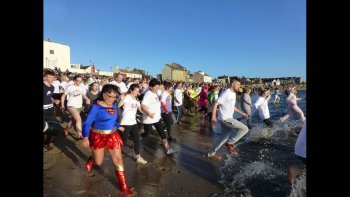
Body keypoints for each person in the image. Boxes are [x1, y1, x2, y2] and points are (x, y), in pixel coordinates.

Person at [81, 84, 135, 196]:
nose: (112, 99)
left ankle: (124, 188)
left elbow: (113, 119)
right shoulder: (96, 107)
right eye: (110, 96)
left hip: (112, 135)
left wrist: (117, 125)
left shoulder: (114, 105)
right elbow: (87, 123)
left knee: (118, 160)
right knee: (99, 162)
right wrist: (86, 136)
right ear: (104, 94)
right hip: (98, 136)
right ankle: (92, 159)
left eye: (115, 96)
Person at [208, 78, 249, 159]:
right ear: (233, 84)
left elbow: (232, 107)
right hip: (225, 119)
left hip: (227, 118)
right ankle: (230, 143)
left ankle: (211, 153)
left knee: (223, 138)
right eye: (238, 85)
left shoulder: (233, 93)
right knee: (245, 129)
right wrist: (213, 117)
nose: (239, 87)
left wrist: (242, 113)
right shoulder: (226, 93)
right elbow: (216, 103)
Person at [140, 78, 176, 155]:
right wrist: (149, 113)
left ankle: (167, 149)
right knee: (147, 134)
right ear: (151, 87)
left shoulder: (156, 93)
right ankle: (137, 138)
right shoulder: (148, 95)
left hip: (156, 118)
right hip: (149, 119)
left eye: (157, 87)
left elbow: (163, 93)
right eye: (155, 87)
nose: (157, 89)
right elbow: (142, 106)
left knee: (162, 134)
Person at [118, 84, 147, 164]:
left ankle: (138, 157)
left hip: (133, 122)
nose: (137, 93)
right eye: (136, 91)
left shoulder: (136, 99)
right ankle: (115, 153)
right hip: (125, 123)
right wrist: (121, 99)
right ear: (131, 90)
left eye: (138, 91)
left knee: (136, 140)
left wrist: (147, 111)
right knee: (123, 142)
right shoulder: (126, 97)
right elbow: (118, 105)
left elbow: (140, 110)